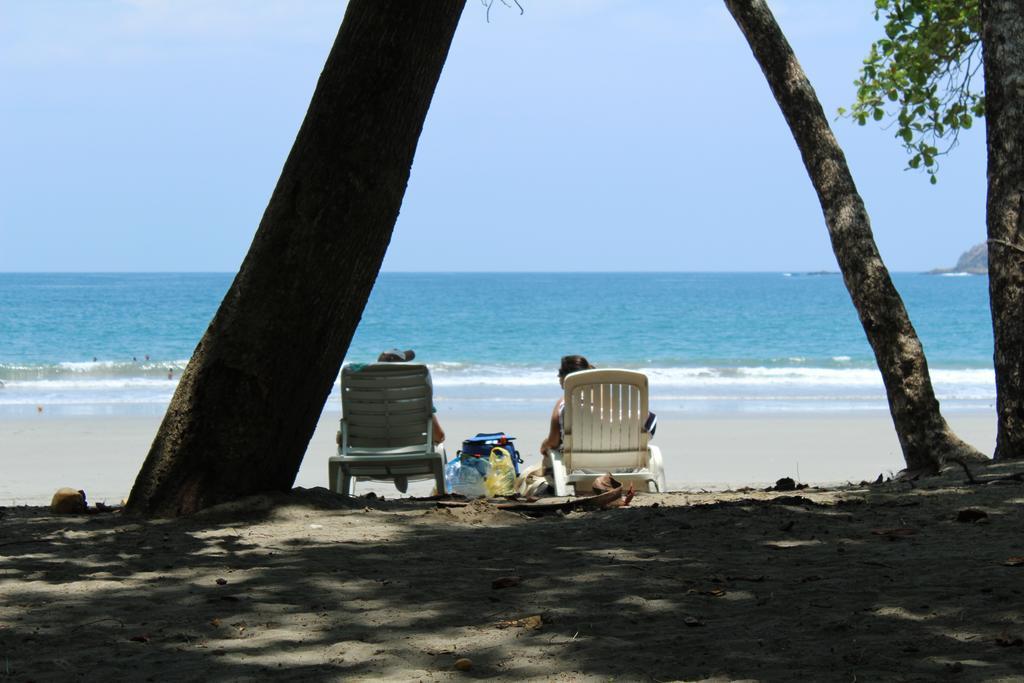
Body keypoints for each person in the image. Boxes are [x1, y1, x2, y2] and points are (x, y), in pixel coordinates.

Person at [374, 348, 445, 446]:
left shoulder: (362, 391)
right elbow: (438, 435)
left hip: (371, 448)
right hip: (411, 450)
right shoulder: (416, 391)